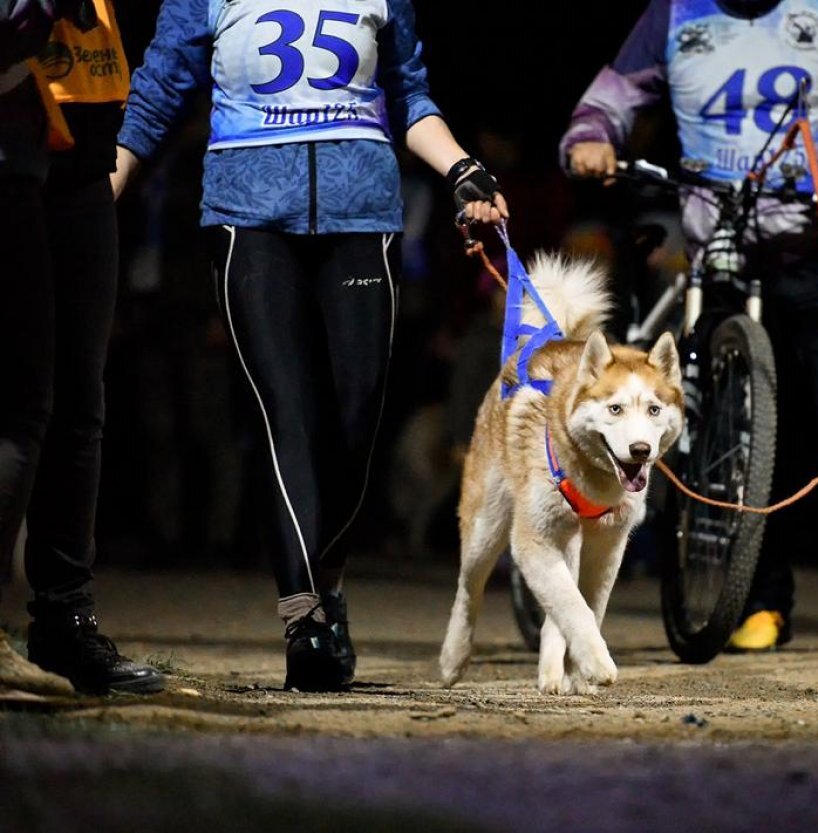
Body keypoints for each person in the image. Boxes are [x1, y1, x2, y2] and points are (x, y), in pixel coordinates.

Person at [112, 0, 508, 691]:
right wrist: (99, 193)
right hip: (247, 219)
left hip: (362, 213)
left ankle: (327, 582)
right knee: (283, 415)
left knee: (355, 421)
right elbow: (156, 91)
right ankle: (304, 620)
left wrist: (463, 170)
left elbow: (409, 93)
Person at [562, 0, 818, 648]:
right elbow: (610, 97)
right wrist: (591, 136)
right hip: (722, 255)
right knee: (736, 429)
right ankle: (758, 599)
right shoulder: (673, 14)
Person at [1, 0, 165, 695]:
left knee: (79, 404)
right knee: (22, 403)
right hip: (16, 147)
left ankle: (64, 622)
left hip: (77, 158)